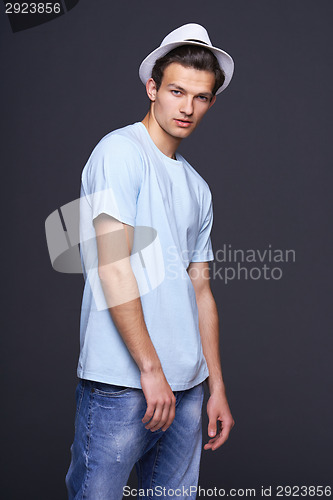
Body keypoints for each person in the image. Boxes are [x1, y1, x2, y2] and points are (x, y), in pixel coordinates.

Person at [66, 23, 235, 500]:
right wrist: (150, 369)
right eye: (177, 91)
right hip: (124, 383)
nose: (187, 107)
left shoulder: (197, 188)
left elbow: (200, 290)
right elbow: (111, 264)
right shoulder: (120, 152)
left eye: (200, 97)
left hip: (187, 389)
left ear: (211, 102)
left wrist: (214, 385)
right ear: (152, 88)